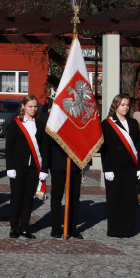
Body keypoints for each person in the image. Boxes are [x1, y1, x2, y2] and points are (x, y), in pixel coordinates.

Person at [102, 93, 140, 237]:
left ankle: (128, 229)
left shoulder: (133, 123)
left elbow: (138, 146)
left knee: (129, 198)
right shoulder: (107, 123)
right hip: (115, 167)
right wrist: (107, 169)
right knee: (115, 198)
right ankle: (114, 229)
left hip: (131, 166)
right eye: (123, 105)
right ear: (116, 105)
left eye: (127, 105)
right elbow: (105, 149)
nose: (125, 107)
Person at [5, 94, 46, 239]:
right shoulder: (15, 123)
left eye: (35, 106)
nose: (33, 109)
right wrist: (9, 167)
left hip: (34, 167)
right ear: (23, 106)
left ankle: (24, 227)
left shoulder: (41, 124)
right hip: (18, 167)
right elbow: (9, 147)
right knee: (16, 197)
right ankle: (14, 227)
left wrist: (44, 169)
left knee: (28, 198)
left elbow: (44, 148)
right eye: (30, 106)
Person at [41, 102, 84, 239]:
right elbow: (47, 142)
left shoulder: (78, 113)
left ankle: (72, 227)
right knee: (57, 196)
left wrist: (87, 161)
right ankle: (55, 226)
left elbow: (85, 138)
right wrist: (45, 167)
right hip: (58, 162)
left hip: (75, 162)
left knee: (74, 196)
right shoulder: (54, 114)